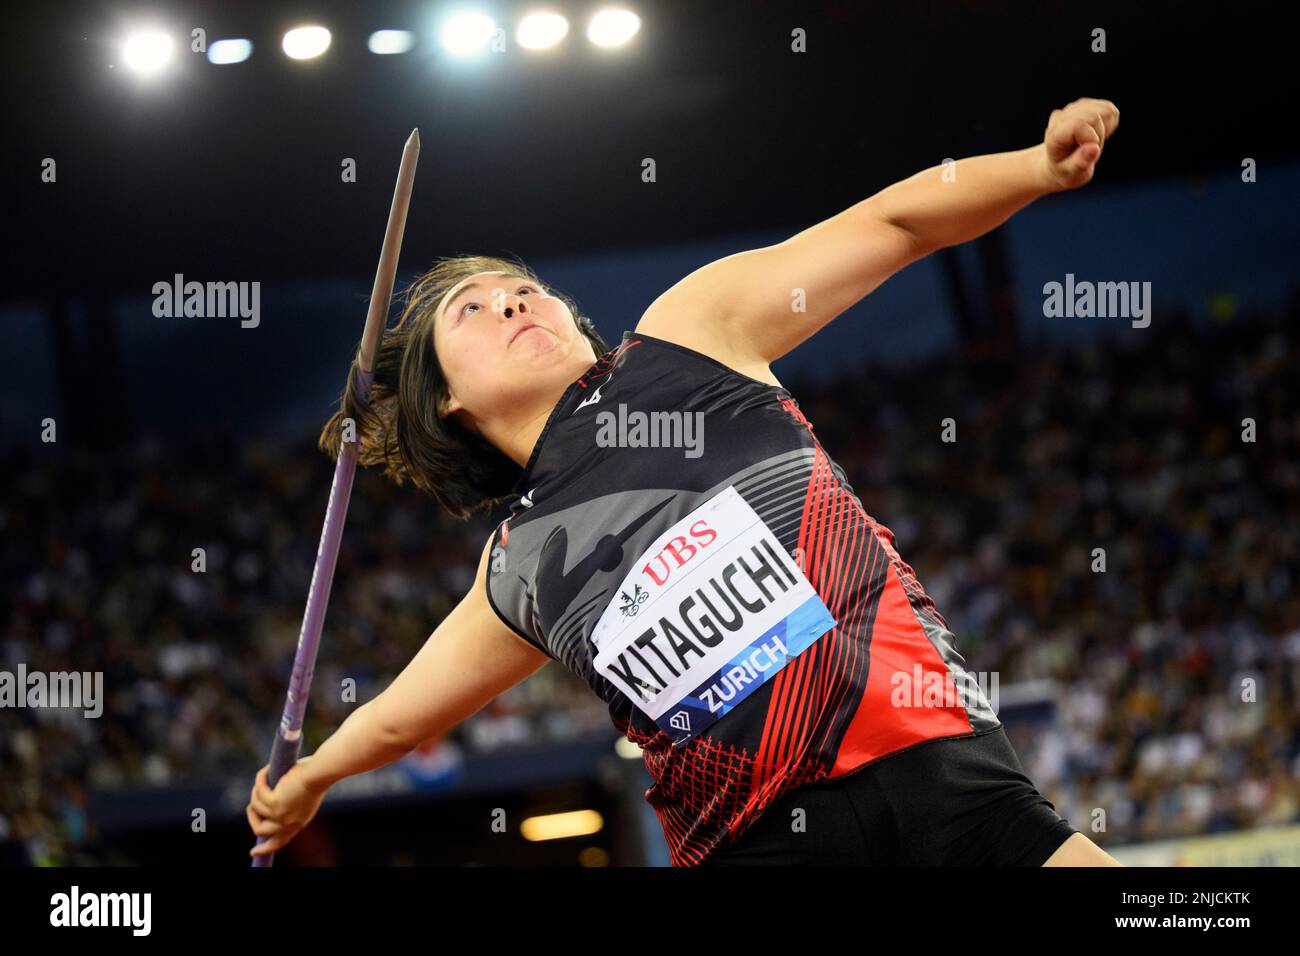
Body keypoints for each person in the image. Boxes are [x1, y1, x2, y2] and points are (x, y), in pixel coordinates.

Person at [248, 98, 1123, 866]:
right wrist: (310, 776)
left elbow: (894, 224)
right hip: (754, 844)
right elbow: (401, 718)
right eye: (472, 310)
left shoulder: (688, 337)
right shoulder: (517, 569)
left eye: (523, 288)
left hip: (945, 778)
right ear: (445, 401)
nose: (514, 302)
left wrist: (1035, 169)